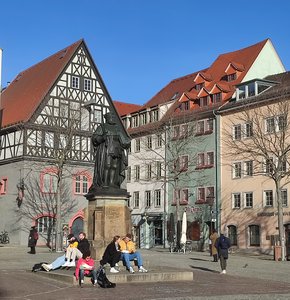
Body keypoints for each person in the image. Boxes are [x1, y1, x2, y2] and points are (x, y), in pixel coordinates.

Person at [87, 112, 131, 195]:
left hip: (116, 148)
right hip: (107, 148)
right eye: (111, 117)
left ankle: (112, 183)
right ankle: (104, 183)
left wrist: (128, 142)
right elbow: (94, 138)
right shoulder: (102, 127)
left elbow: (123, 140)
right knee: (107, 165)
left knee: (114, 166)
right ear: (107, 118)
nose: (113, 119)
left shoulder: (117, 128)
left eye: (114, 118)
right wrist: (101, 138)